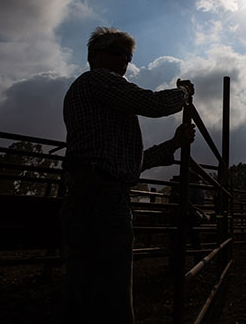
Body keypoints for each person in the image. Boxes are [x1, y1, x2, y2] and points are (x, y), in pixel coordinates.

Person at [60, 27, 195, 324]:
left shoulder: (105, 105)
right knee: (112, 296)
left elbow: (133, 165)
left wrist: (173, 144)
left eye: (128, 55)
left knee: (85, 291)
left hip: (97, 196)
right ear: (94, 56)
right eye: (116, 51)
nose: (124, 59)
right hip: (102, 201)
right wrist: (184, 94)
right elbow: (154, 104)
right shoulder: (97, 81)